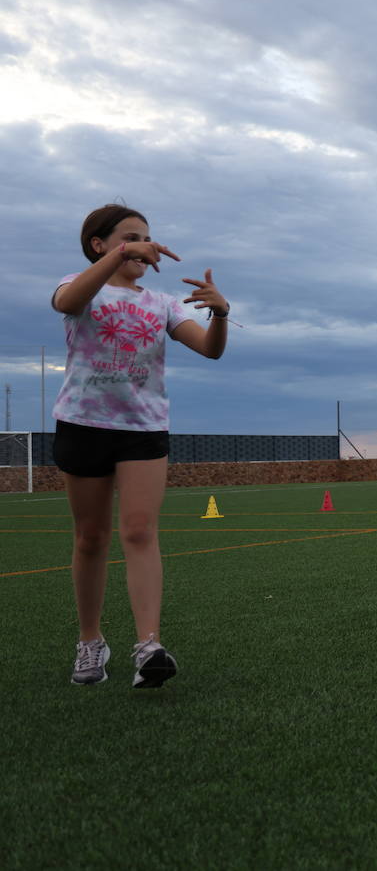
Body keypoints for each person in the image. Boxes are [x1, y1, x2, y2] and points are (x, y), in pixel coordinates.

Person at [55, 203, 232, 687]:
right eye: (130, 238)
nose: (143, 247)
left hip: (143, 428)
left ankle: (148, 646)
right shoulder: (77, 284)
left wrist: (220, 313)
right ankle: (90, 641)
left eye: (146, 238)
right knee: (91, 538)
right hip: (83, 424)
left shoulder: (162, 303)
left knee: (138, 532)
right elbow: (67, 304)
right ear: (99, 245)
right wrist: (119, 257)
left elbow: (211, 349)